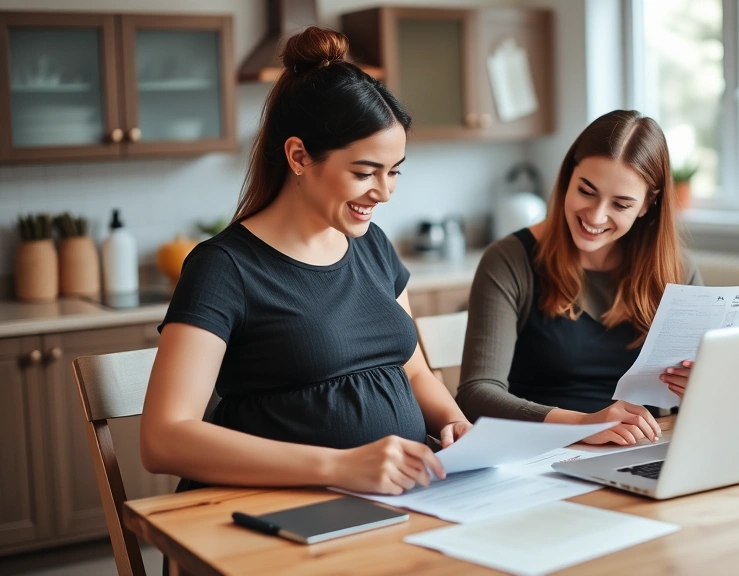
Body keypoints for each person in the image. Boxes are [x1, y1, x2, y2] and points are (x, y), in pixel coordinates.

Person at [140, 27, 471, 497]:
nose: (384, 192)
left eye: (393, 172)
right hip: (278, 507)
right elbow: (162, 439)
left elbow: (411, 369)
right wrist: (340, 466)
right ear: (298, 156)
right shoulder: (223, 267)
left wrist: (455, 423)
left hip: (395, 497)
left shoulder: (374, 245)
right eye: (363, 173)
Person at [457, 110, 702, 446]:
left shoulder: (676, 273)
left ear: (648, 204)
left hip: (640, 451)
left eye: (621, 204)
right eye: (587, 191)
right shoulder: (509, 261)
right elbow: (475, 395)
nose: (596, 215)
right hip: (539, 455)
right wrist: (583, 425)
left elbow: (697, 399)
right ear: (568, 175)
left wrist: (699, 385)